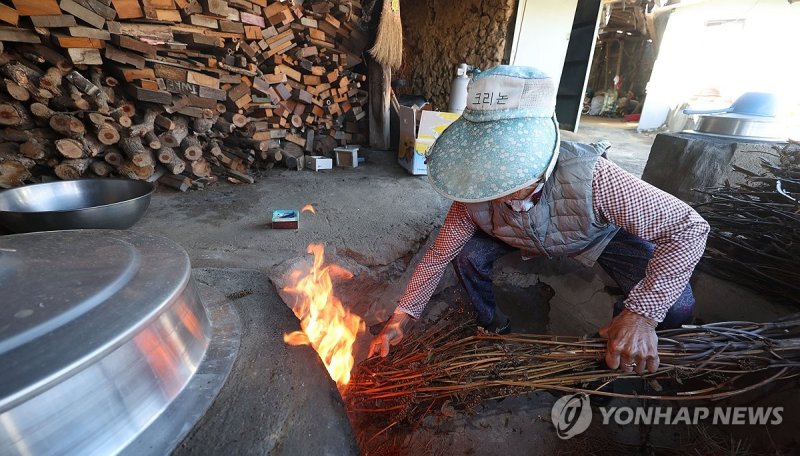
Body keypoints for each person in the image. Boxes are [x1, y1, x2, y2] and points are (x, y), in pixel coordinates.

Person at [368, 66, 709, 374]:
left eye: (507, 178)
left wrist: (641, 314)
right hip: (518, 235)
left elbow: (688, 228)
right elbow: (438, 256)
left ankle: (605, 346)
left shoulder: (594, 179)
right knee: (469, 255)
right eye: (484, 178)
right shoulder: (473, 193)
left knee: (676, 306)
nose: (492, 191)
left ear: (540, 161)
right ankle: (493, 324)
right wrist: (402, 317)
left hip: (594, 235)